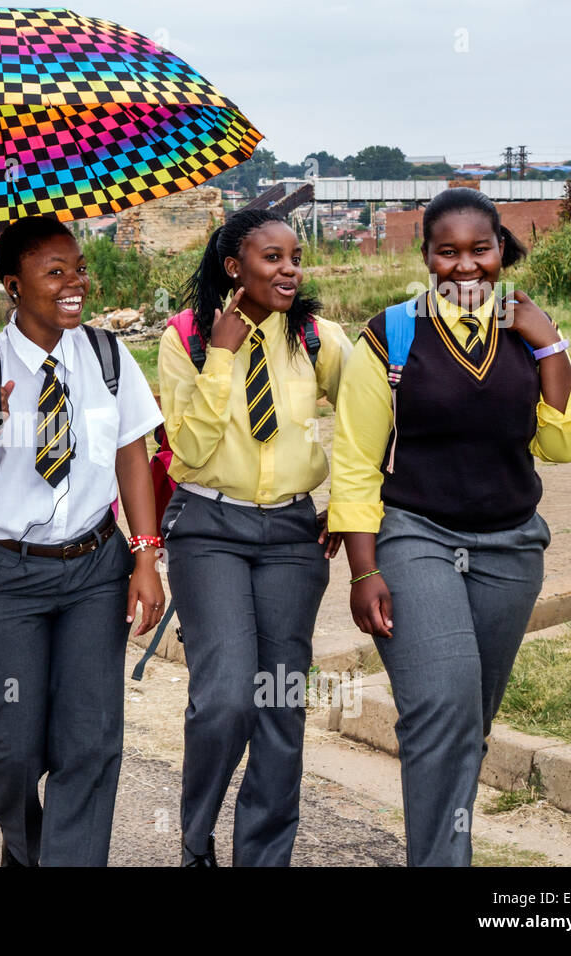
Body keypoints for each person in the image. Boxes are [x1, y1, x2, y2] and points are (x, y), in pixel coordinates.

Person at [328, 188, 571, 866]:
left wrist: (550, 345)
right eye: (447, 252)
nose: (466, 267)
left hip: (512, 548)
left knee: (467, 724)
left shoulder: (530, 329)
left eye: (480, 250)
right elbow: (357, 463)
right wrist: (364, 571)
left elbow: (563, 446)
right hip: (416, 537)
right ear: (427, 257)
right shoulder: (390, 334)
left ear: (501, 250)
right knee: (442, 709)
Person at [0, 216, 165, 867]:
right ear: (13, 285)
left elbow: (132, 456)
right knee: (13, 749)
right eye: (54, 271)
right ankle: (30, 849)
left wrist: (145, 554)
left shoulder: (109, 357)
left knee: (89, 741)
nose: (75, 283)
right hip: (8, 578)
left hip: (94, 571)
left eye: (78, 268)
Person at [158, 208, 351, 867]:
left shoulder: (319, 339)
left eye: (295, 257)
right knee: (226, 695)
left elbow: (370, 414)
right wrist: (221, 355)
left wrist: (348, 503)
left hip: (295, 537)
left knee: (280, 701)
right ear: (234, 266)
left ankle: (264, 859)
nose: (290, 269)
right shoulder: (184, 337)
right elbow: (184, 449)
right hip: (208, 529)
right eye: (273, 258)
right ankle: (195, 843)